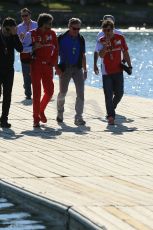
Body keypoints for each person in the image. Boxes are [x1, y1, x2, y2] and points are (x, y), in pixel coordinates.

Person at [23, 13, 58, 127]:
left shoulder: (52, 34)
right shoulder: (31, 34)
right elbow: (22, 49)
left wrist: (53, 63)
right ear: (43, 24)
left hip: (47, 66)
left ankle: (40, 110)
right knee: (37, 93)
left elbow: (56, 50)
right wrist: (33, 47)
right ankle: (35, 119)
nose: (51, 26)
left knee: (50, 91)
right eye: (49, 23)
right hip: (35, 65)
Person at [98, 20, 132, 125]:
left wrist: (130, 66)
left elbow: (125, 52)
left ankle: (112, 107)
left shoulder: (120, 38)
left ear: (113, 29)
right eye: (104, 30)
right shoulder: (101, 40)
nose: (106, 33)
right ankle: (111, 116)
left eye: (108, 30)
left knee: (119, 93)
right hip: (106, 72)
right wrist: (105, 45)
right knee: (108, 94)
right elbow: (101, 55)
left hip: (118, 70)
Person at [56, 18, 87, 126]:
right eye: (74, 29)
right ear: (69, 27)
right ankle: (60, 112)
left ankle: (78, 117)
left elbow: (83, 55)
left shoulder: (81, 39)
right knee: (62, 93)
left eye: (79, 29)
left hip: (77, 68)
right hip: (65, 68)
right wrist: (57, 68)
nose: (77, 31)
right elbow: (54, 54)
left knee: (81, 93)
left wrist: (85, 69)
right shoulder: (61, 38)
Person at [0, 17, 23, 128]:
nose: (10, 32)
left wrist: (15, 35)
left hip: (9, 70)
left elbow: (20, 48)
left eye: (13, 29)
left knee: (7, 95)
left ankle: (4, 119)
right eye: (9, 30)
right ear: (4, 27)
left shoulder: (13, 36)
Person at [17, 8, 37, 100]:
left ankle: (28, 85)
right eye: (22, 16)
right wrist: (21, 38)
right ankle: (28, 94)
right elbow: (17, 43)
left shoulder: (36, 25)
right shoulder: (19, 27)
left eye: (26, 15)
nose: (24, 17)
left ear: (30, 15)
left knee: (35, 73)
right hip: (24, 51)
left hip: (35, 51)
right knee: (26, 74)